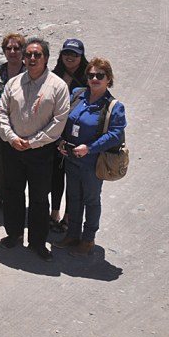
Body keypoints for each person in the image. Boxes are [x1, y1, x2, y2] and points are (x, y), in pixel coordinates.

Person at [0, 37, 70, 261]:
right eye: (28, 54)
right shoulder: (14, 83)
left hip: (41, 152)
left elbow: (59, 121)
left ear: (46, 58)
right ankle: (14, 234)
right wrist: (11, 137)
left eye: (37, 54)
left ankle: (38, 242)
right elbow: (1, 113)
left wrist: (34, 141)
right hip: (13, 149)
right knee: (13, 194)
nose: (32, 58)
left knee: (39, 198)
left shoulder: (58, 86)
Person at [54, 58, 127, 257]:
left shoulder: (114, 107)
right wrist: (61, 141)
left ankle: (88, 240)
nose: (94, 79)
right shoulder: (77, 95)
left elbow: (115, 134)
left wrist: (90, 148)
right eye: (91, 75)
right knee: (74, 197)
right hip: (71, 158)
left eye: (100, 76)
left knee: (91, 200)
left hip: (92, 162)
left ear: (108, 79)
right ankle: (72, 235)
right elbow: (63, 120)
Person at [49, 38, 89, 233]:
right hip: (56, 136)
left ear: (82, 57)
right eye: (66, 53)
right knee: (56, 177)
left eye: (74, 54)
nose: (70, 57)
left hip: (77, 138)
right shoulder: (55, 75)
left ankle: (68, 217)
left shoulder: (90, 77)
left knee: (74, 181)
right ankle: (54, 213)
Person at [0, 33, 26, 209]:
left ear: (23, 50)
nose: (12, 52)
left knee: (19, 165)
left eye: (16, 48)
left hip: (22, 127)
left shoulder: (29, 72)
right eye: (9, 48)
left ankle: (15, 197)